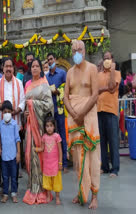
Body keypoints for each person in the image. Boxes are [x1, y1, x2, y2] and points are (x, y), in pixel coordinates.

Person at [63, 40, 100, 209]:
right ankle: (80, 192)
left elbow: (94, 95)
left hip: (88, 118)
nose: (77, 52)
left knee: (92, 157)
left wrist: (82, 114)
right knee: (77, 159)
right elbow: (65, 97)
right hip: (74, 119)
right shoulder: (69, 72)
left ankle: (94, 195)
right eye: (74, 50)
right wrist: (73, 114)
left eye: (80, 49)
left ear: (84, 51)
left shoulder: (92, 68)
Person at [22, 58, 54, 205]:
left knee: (39, 155)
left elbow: (49, 105)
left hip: (40, 127)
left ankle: (41, 188)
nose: (34, 68)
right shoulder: (27, 85)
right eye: (32, 66)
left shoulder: (44, 84)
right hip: (30, 126)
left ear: (41, 69)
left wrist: (32, 105)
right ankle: (32, 187)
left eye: (37, 66)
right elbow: (24, 105)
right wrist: (26, 112)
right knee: (29, 154)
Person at [0, 57, 25, 189]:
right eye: (6, 66)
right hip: (1, 124)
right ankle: (3, 185)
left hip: (15, 124)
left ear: (13, 68)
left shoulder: (18, 83)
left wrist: (15, 111)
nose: (8, 68)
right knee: (1, 155)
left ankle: (14, 185)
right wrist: (4, 108)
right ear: (2, 68)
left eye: (10, 66)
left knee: (15, 155)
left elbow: (22, 101)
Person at [97, 52, 121, 177]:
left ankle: (115, 169)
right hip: (99, 110)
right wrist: (106, 89)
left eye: (108, 58)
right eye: (105, 58)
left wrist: (112, 71)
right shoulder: (98, 75)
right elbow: (96, 90)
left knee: (113, 141)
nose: (106, 60)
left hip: (111, 111)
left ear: (112, 60)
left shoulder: (117, 73)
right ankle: (105, 167)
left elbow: (112, 86)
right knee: (102, 141)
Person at [45, 52, 68, 173]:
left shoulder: (62, 73)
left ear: (55, 60)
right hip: (50, 111)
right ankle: (54, 163)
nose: (49, 61)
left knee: (62, 136)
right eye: (48, 60)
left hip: (60, 110)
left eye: (51, 59)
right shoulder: (46, 77)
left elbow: (66, 88)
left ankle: (64, 163)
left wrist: (59, 91)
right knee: (52, 137)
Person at [35, 117, 63, 205]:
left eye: (51, 126)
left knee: (56, 181)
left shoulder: (57, 136)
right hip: (47, 164)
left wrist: (60, 162)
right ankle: (48, 195)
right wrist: (35, 149)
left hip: (55, 164)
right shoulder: (44, 137)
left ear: (54, 127)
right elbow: (42, 149)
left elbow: (60, 151)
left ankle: (57, 197)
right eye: (47, 126)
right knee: (47, 181)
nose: (49, 128)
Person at [0, 100, 21, 204]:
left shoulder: (14, 124)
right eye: (4, 112)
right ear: (2, 113)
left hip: (13, 156)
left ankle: (14, 193)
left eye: (8, 111)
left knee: (13, 176)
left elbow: (17, 139)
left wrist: (18, 153)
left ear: (12, 112)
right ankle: (5, 194)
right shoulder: (1, 124)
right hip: (4, 156)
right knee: (5, 176)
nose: (6, 114)